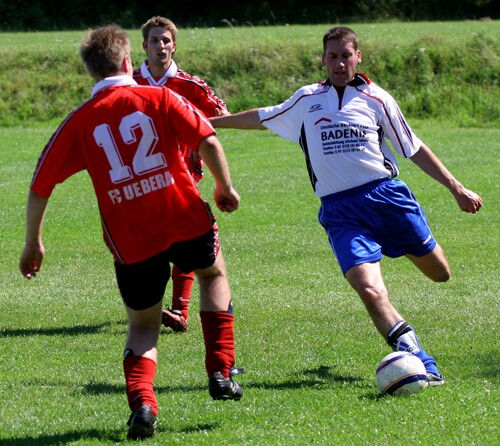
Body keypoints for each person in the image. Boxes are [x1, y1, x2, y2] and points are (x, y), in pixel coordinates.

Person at [210, 26, 483, 387]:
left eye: (346, 55)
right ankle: (420, 359)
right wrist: (206, 123)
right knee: (368, 288)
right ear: (323, 60)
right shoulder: (306, 99)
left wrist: (456, 188)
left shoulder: (377, 99)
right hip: (340, 211)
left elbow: (413, 147)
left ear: (358, 57)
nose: (339, 63)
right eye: (333, 56)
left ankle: (409, 252)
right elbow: (261, 117)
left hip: (386, 199)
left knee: (439, 273)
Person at [19, 25, 244, 440]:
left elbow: (40, 185)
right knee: (213, 274)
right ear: (128, 60)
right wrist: (224, 187)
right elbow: (208, 139)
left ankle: (143, 404)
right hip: (182, 215)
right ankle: (220, 369)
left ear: (91, 71)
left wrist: (33, 242)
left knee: (142, 326)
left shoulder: (79, 122)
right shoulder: (160, 97)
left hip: (130, 238)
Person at [133, 16, 229, 333]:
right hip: (140, 179)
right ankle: (151, 307)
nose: (160, 46)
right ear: (144, 46)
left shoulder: (190, 85)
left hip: (183, 177)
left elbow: (222, 115)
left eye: (166, 40)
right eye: (154, 40)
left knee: (185, 238)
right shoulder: (129, 83)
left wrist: (195, 128)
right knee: (147, 247)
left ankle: (179, 310)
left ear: (174, 46)